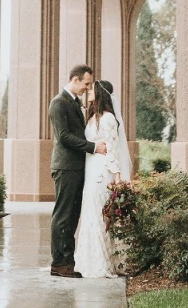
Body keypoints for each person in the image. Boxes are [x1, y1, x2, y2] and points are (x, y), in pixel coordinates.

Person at [48, 64, 107, 278]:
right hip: (65, 167)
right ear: (75, 79)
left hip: (76, 167)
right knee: (62, 216)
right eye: (86, 83)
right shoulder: (58, 103)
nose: (87, 88)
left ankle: (68, 261)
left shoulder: (73, 103)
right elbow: (63, 136)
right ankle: (58, 263)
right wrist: (92, 147)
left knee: (73, 215)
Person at [75, 79, 132, 278]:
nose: (88, 91)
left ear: (100, 94)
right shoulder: (92, 117)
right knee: (89, 213)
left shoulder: (108, 119)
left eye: (91, 89)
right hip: (90, 169)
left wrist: (117, 179)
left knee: (99, 215)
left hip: (102, 171)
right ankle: (87, 259)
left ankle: (101, 262)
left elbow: (113, 150)